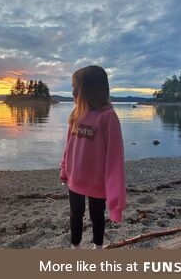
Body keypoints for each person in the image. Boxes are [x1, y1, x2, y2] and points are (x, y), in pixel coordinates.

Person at [59, 65, 126, 250]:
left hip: (97, 183)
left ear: (89, 90)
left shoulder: (108, 117)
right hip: (75, 179)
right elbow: (69, 146)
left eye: (76, 87)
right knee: (75, 214)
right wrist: (64, 168)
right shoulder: (76, 115)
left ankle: (98, 249)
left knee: (97, 216)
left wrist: (115, 200)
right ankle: (76, 248)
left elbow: (115, 160)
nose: (73, 92)